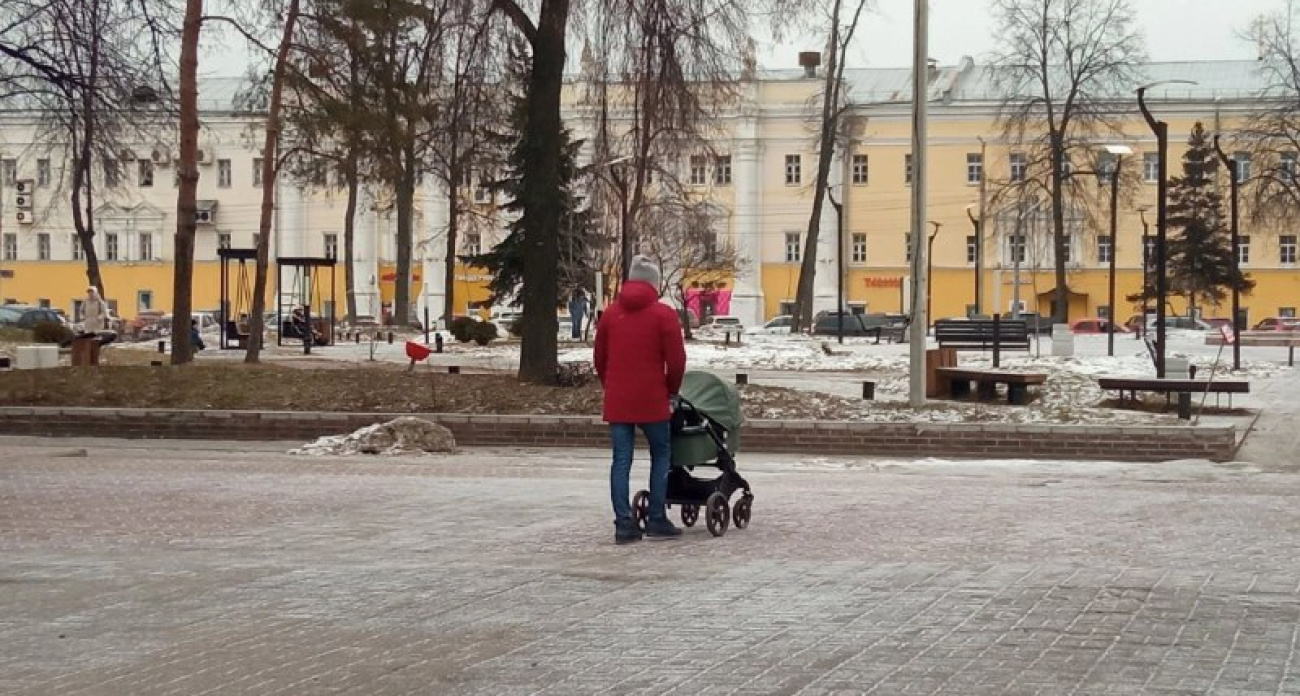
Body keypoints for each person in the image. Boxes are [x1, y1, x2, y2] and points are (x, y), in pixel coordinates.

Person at [594, 255, 687, 544]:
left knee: (621, 460)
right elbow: (677, 361)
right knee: (661, 454)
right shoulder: (664, 315)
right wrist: (671, 391)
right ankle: (656, 518)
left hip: (618, 400)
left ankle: (623, 524)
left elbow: (599, 358)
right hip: (652, 398)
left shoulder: (610, 314)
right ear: (654, 283)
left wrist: (611, 386)